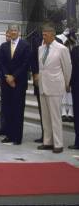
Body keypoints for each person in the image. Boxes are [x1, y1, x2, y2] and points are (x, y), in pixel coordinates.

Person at [35, 23, 72, 153]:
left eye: (45, 34)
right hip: (43, 86)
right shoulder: (41, 48)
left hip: (55, 86)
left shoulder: (62, 49)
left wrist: (67, 83)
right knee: (45, 117)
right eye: (43, 34)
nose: (43, 37)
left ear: (52, 34)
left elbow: (67, 68)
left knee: (55, 117)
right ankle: (47, 142)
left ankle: (58, 143)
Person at [0, 24, 31, 145]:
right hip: (6, 83)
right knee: (7, 109)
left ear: (19, 32)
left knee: (18, 110)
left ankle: (17, 137)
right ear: (8, 32)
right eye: (11, 30)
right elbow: (1, 63)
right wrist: (7, 76)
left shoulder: (25, 45)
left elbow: (25, 64)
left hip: (19, 83)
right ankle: (9, 135)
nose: (13, 32)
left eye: (15, 30)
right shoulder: (4, 46)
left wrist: (14, 77)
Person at [0, 29, 11, 137]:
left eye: (9, 35)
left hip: (13, 80)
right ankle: (3, 128)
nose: (7, 37)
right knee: (3, 106)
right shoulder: (2, 46)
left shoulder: (18, 46)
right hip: (3, 80)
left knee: (10, 107)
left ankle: (10, 128)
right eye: (6, 35)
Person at [69, 41, 79, 150]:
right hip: (76, 87)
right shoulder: (75, 50)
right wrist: (69, 82)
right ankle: (77, 141)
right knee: (77, 115)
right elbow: (71, 68)